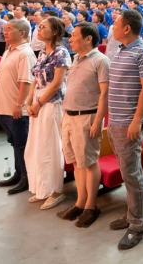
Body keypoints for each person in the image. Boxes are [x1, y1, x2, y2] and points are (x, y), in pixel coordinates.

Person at [107, 9, 143, 249]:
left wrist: (137, 121)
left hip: (129, 121)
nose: (113, 27)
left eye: (117, 24)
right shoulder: (120, 50)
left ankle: (138, 225)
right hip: (115, 119)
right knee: (126, 172)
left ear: (127, 28)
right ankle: (132, 215)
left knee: (132, 174)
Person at [56, 22, 110, 227]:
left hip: (87, 117)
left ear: (88, 38)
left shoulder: (101, 60)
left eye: (74, 36)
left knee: (89, 162)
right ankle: (80, 202)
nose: (70, 39)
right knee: (77, 163)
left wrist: (98, 121)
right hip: (70, 116)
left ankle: (91, 206)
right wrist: (65, 115)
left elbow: (105, 94)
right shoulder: (76, 58)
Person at [25, 16, 71, 210]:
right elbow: (35, 79)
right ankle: (42, 188)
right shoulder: (43, 52)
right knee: (36, 146)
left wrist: (39, 103)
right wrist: (29, 100)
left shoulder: (61, 53)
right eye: (39, 26)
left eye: (43, 27)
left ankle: (56, 191)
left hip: (52, 104)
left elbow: (57, 84)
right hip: (38, 102)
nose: (39, 29)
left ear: (54, 32)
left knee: (50, 147)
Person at [0, 20, 36, 195]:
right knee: (15, 143)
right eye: (5, 29)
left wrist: (19, 105)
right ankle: (19, 173)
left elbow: (26, 82)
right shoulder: (8, 51)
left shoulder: (25, 53)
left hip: (17, 109)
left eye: (10, 29)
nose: (5, 32)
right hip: (4, 107)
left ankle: (27, 176)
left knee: (22, 145)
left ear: (22, 33)